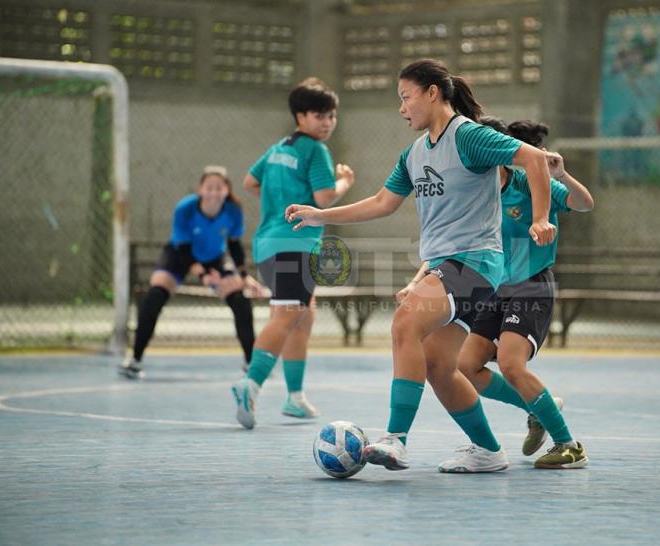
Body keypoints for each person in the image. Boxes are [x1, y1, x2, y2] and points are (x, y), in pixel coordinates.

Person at [286, 59, 556, 473]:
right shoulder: (413, 154)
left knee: (404, 322)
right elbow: (381, 203)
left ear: (433, 93)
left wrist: (539, 218)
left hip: (476, 261)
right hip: (452, 266)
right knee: (439, 366)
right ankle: (488, 450)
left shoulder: (468, 136)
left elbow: (535, 159)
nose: (401, 108)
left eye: (405, 97)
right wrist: (321, 215)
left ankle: (396, 438)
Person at [457, 116, 594, 469]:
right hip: (495, 291)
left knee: (511, 365)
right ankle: (538, 408)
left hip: (532, 285)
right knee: (466, 366)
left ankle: (569, 445)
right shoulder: (475, 192)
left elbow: (584, 203)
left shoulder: (528, 183)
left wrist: (560, 175)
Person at [231, 77, 354, 428]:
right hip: (295, 243)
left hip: (269, 242)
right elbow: (325, 198)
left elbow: (250, 182)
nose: (327, 122)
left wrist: (279, 201)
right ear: (300, 116)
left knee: (304, 315)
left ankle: (295, 397)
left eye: (331, 115)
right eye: (319, 115)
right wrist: (345, 180)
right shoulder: (317, 151)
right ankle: (250, 384)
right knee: (286, 317)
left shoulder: (276, 149)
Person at [118, 165, 262, 379]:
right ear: (200, 189)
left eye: (219, 187)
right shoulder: (185, 209)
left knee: (240, 301)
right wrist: (204, 276)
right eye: (209, 187)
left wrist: (243, 275)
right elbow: (184, 251)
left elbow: (234, 245)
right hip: (179, 256)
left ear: (227, 190)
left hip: (214, 258)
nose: (214, 192)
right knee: (154, 297)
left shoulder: (233, 210)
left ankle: (252, 363)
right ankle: (135, 360)